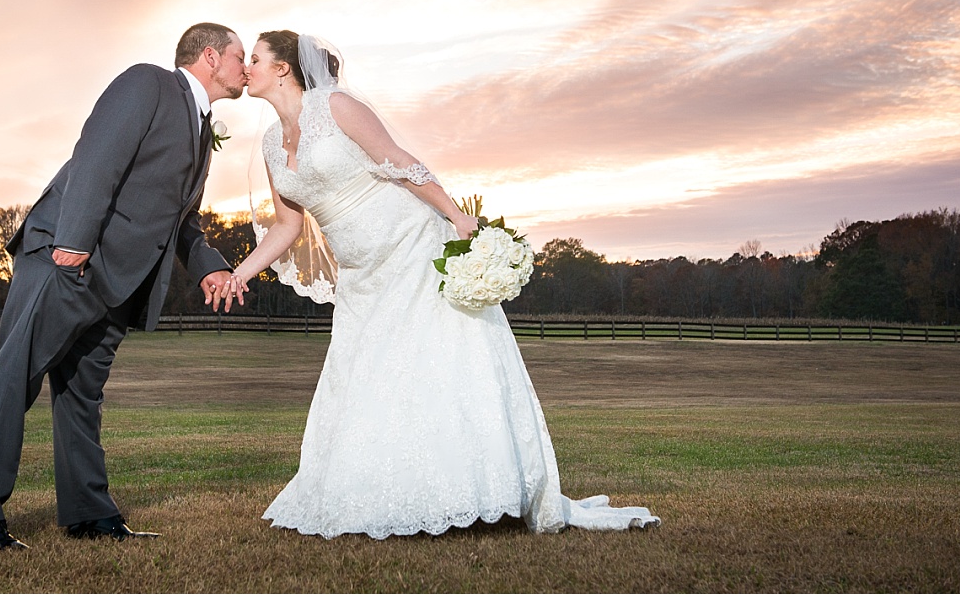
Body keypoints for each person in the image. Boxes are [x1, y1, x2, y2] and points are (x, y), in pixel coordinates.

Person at [227, 30, 660, 539]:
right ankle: (379, 489)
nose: (246, 67)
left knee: (439, 364)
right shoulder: (271, 143)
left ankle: (474, 491)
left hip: (411, 247)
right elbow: (288, 225)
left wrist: (458, 217)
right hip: (362, 276)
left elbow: (398, 163)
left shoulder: (336, 106)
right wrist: (240, 273)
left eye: (253, 59)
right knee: (370, 376)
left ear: (283, 68)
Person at [0, 23, 249, 550]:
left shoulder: (202, 128)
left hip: (115, 282)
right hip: (67, 260)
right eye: (240, 56)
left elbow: (183, 220)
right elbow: (97, 154)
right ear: (209, 56)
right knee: (15, 376)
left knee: (82, 394)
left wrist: (209, 267)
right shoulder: (149, 84)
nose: (246, 68)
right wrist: (75, 242)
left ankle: (88, 513)